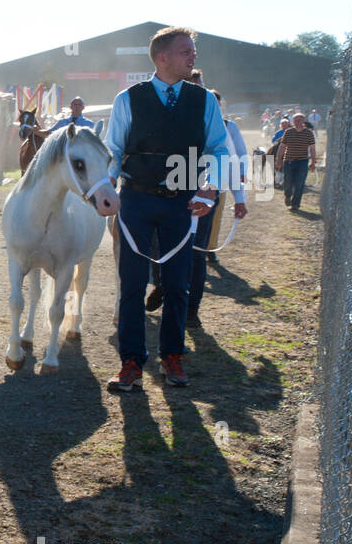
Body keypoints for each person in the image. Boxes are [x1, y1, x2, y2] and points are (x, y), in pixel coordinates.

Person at [103, 26, 228, 391]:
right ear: (163, 57)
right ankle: (130, 363)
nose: (193, 57)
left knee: (177, 283)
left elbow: (219, 150)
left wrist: (210, 187)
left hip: (183, 201)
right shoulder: (127, 98)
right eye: (186, 51)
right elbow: (112, 148)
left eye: (193, 51)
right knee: (131, 283)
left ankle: (172, 356)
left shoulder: (203, 100)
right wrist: (106, 187)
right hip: (136, 199)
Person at [187, 91, 249, 327]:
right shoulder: (172, 120)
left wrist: (239, 198)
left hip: (206, 198)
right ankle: (165, 290)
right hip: (173, 198)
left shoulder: (223, 129)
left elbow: (232, 161)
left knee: (197, 252)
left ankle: (191, 309)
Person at [278, 112, 317, 210]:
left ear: (303, 121)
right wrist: (278, 160)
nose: (297, 122)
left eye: (299, 120)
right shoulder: (288, 132)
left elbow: (312, 148)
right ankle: (288, 195)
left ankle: (295, 204)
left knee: (300, 182)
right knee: (288, 182)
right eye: (295, 120)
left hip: (302, 161)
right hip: (289, 160)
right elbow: (282, 147)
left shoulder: (308, 133)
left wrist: (313, 162)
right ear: (293, 121)